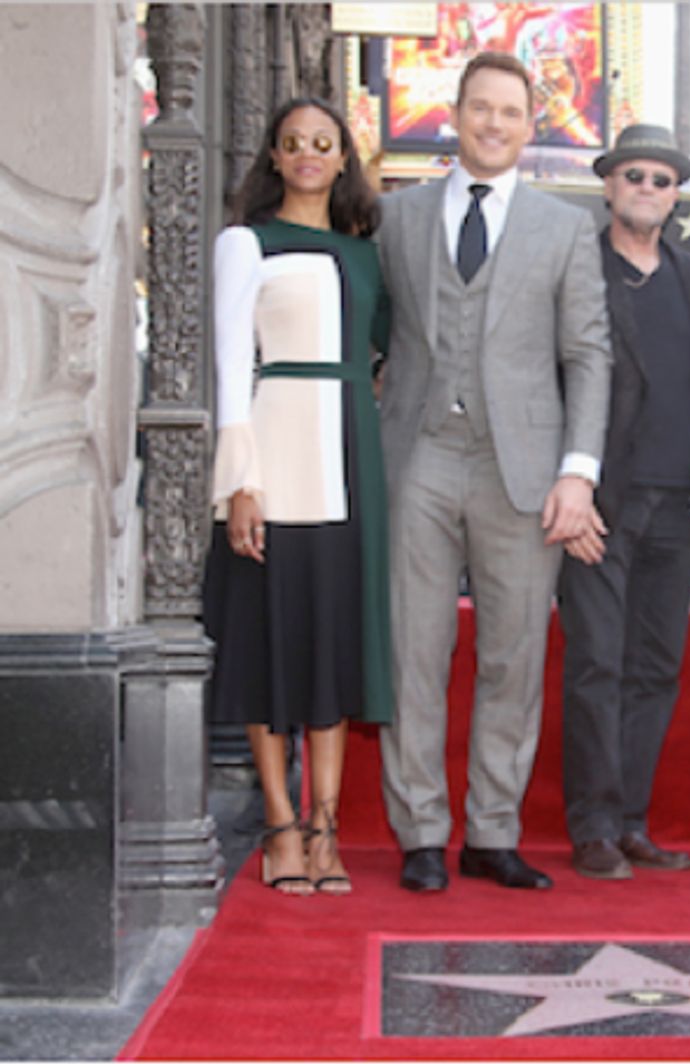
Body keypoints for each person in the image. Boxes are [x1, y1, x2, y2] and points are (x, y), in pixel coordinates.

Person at [375, 52, 611, 892]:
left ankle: (492, 833)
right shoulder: (396, 216)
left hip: (525, 467)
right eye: (481, 107)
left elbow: (588, 354)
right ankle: (420, 832)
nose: (494, 124)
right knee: (414, 650)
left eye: (510, 112)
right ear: (456, 113)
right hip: (419, 455)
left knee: (514, 654)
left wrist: (578, 472)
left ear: (529, 124)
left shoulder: (565, 226)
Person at [202, 97, 391, 896]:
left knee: (333, 647)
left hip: (352, 463)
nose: (309, 153)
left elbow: (389, 352)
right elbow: (228, 369)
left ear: (344, 157)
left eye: (323, 141)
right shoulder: (246, 242)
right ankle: (281, 826)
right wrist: (239, 482)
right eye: (293, 143)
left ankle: (326, 827)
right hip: (274, 461)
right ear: (274, 157)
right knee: (267, 643)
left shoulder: (365, 254)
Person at [558, 124, 690, 880]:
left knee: (656, 667)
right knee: (597, 662)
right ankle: (593, 825)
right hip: (601, 502)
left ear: (676, 194)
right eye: (635, 176)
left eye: (662, 179)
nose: (648, 189)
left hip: (676, 503)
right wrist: (572, 487)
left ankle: (631, 822)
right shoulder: (578, 268)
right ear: (609, 184)